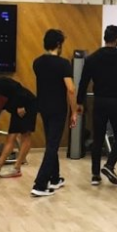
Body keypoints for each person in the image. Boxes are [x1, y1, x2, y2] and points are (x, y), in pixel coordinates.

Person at [78, 25, 117, 186]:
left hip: (100, 101)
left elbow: (83, 82)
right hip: (116, 102)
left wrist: (79, 102)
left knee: (97, 138)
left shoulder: (92, 58)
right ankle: (109, 165)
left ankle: (95, 175)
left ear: (105, 38)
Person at [31, 29, 79, 197]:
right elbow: (71, 89)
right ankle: (40, 185)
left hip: (43, 107)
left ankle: (55, 178)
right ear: (59, 44)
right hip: (58, 109)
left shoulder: (37, 63)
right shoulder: (63, 64)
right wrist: (74, 112)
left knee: (51, 143)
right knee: (52, 146)